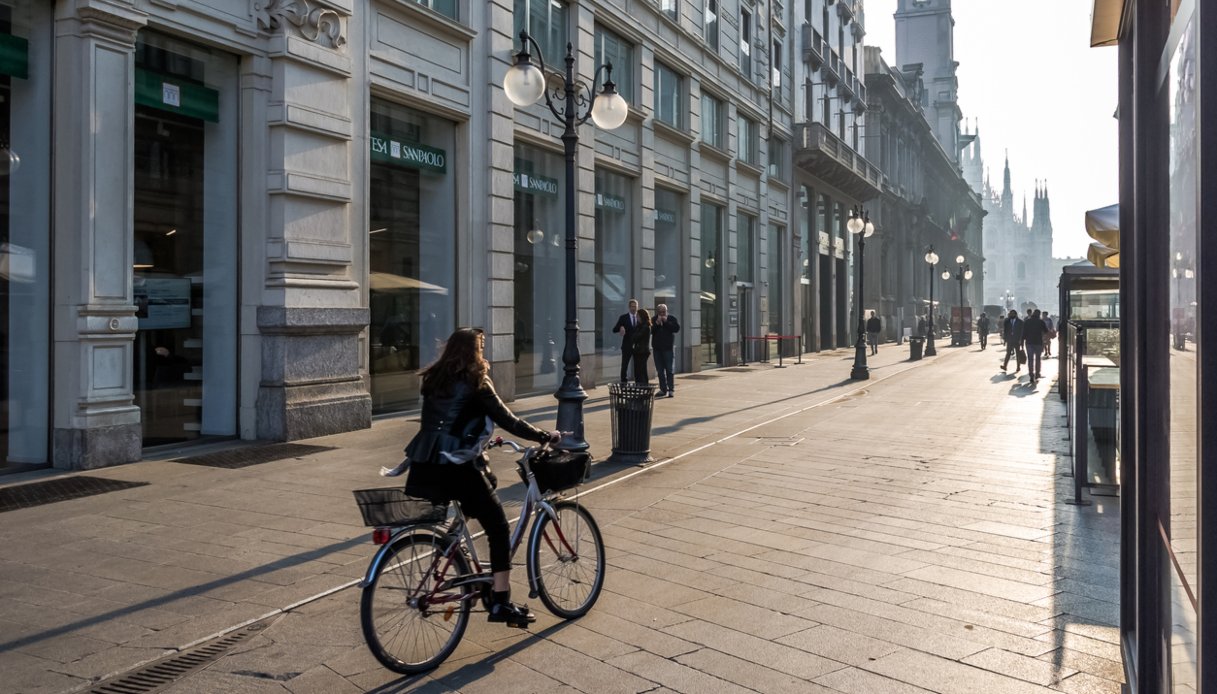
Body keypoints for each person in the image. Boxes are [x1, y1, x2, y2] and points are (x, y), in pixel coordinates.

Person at [401, 328, 561, 628]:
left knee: (481, 495)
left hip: (426, 465)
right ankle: (500, 600)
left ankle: (464, 562)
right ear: (473, 351)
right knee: (498, 527)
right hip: (457, 466)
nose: (483, 352)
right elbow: (508, 419)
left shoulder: (434, 378)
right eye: (481, 347)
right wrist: (543, 436)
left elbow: (447, 422)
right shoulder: (476, 381)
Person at [651, 304, 680, 397]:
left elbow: (676, 329)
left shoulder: (671, 318)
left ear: (666, 311)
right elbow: (650, 331)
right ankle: (663, 389)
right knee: (660, 371)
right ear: (657, 312)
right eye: (660, 312)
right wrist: (657, 323)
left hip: (668, 348)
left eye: (664, 312)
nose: (662, 314)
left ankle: (671, 389)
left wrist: (666, 322)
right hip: (657, 349)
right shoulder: (654, 319)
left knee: (669, 370)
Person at [612, 299, 640, 382]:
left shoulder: (640, 318)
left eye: (635, 306)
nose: (633, 308)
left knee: (638, 365)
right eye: (632, 306)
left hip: (638, 346)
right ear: (629, 307)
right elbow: (614, 329)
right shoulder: (624, 317)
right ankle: (624, 382)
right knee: (624, 365)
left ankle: (638, 381)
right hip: (627, 345)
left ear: (637, 307)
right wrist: (621, 327)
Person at [1023, 309, 1047, 386]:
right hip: (1038, 342)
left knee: (1030, 359)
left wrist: (1021, 342)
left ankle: (1031, 374)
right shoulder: (1041, 322)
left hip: (1029, 342)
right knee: (1038, 359)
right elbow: (1046, 331)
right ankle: (1037, 373)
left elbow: (1023, 333)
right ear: (1039, 314)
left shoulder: (1027, 321)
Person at [631, 308, 652, 384]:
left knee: (641, 370)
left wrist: (634, 335)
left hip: (642, 351)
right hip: (638, 351)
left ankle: (644, 385)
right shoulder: (639, 326)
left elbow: (637, 337)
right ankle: (639, 384)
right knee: (637, 370)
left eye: (638, 316)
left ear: (641, 316)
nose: (636, 317)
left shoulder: (645, 326)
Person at [1001, 309, 1024, 373]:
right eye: (1011, 314)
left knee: (1018, 354)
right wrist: (1005, 339)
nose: (1011, 315)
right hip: (1010, 340)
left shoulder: (1020, 322)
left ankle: (1018, 366)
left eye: (1013, 314)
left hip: (1017, 340)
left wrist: (1021, 340)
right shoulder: (1007, 321)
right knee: (1008, 353)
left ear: (1015, 314)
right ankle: (1005, 366)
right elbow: (1005, 331)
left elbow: (1022, 331)